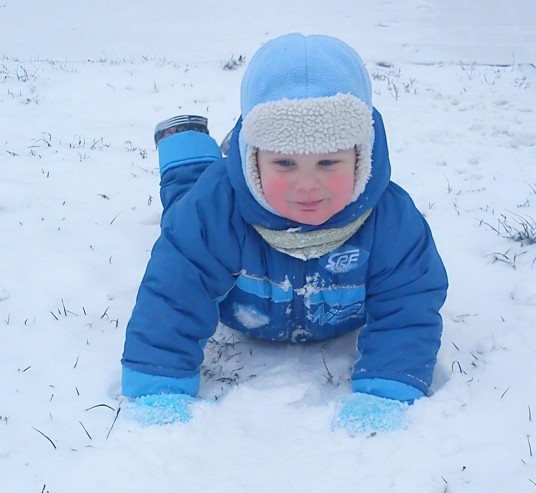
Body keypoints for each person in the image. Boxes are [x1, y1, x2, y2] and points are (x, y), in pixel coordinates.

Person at [121, 33, 448, 435]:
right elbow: (176, 288)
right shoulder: (216, 209)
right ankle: (184, 146)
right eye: (285, 163)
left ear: (362, 155)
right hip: (222, 206)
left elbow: (409, 302)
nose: (307, 185)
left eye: (328, 161)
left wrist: (389, 386)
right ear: (253, 158)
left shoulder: (391, 220)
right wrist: (159, 378)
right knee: (188, 203)